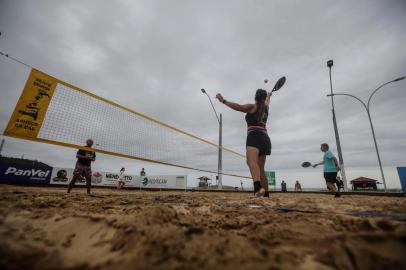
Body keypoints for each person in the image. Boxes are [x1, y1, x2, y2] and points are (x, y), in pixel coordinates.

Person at [216, 89, 272, 197]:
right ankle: (266, 195)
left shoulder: (252, 107)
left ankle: (258, 188)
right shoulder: (266, 108)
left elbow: (239, 107)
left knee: (251, 162)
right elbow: (267, 102)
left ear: (255, 96)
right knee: (261, 168)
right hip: (265, 138)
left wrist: (223, 101)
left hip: (254, 136)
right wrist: (269, 96)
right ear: (264, 98)